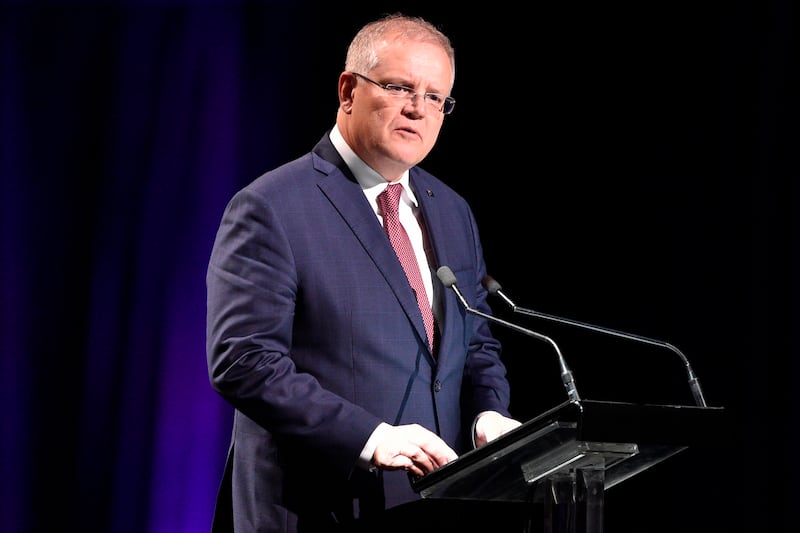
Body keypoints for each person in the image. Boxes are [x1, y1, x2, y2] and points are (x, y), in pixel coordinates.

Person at [206, 12, 522, 533]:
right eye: (400, 87)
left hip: (433, 506)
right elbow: (245, 360)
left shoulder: (451, 209)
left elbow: (477, 342)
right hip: (314, 507)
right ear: (348, 90)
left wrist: (488, 415)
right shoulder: (273, 206)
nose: (419, 110)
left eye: (436, 97)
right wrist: (370, 437)